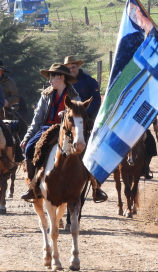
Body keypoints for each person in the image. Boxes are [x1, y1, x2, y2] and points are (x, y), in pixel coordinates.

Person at [19, 64, 108, 203]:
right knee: (30, 147)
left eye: (52, 77)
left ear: (61, 78)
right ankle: (33, 186)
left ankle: (96, 187)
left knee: (90, 149)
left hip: (69, 130)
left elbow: (79, 118)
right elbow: (36, 120)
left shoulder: (75, 97)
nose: (50, 81)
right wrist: (27, 137)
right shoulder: (45, 96)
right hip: (47, 129)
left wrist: (67, 115)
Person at [64, 55, 101, 120]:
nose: (71, 70)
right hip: (67, 116)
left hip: (86, 116)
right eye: (68, 68)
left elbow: (96, 100)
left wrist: (85, 114)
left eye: (73, 67)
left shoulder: (90, 81)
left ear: (78, 66)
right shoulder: (63, 81)